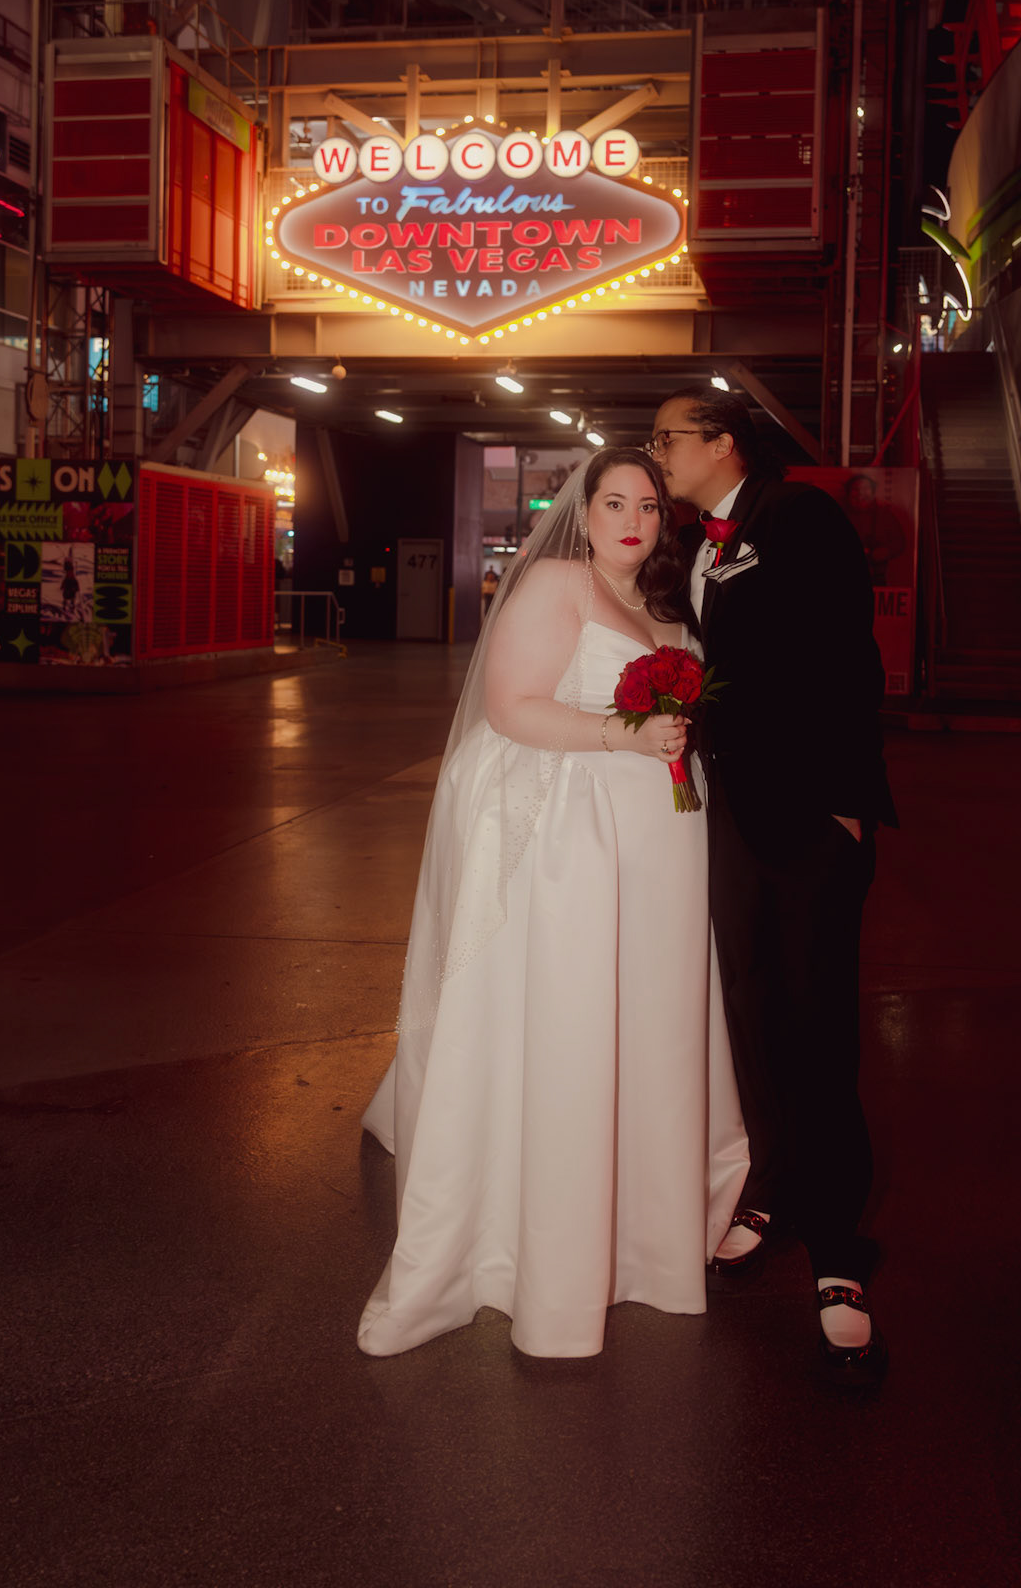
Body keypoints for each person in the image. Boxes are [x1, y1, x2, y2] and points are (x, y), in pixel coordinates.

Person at [358, 448, 748, 1358]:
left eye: (647, 507)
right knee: (572, 1015)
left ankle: (642, 1223)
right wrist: (624, 736)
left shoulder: (664, 601)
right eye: (614, 503)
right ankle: (540, 1238)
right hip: (574, 835)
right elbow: (510, 708)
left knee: (647, 1017)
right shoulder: (556, 584)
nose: (632, 522)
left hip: (655, 841)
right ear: (583, 510)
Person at [650, 386, 896, 1386]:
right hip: (727, 821)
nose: (657, 452)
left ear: (723, 441)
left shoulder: (798, 517)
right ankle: (776, 1185)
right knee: (751, 1014)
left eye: (669, 437)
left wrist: (844, 805)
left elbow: (849, 660)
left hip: (805, 821)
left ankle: (838, 1249)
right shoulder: (694, 545)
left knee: (816, 1024)